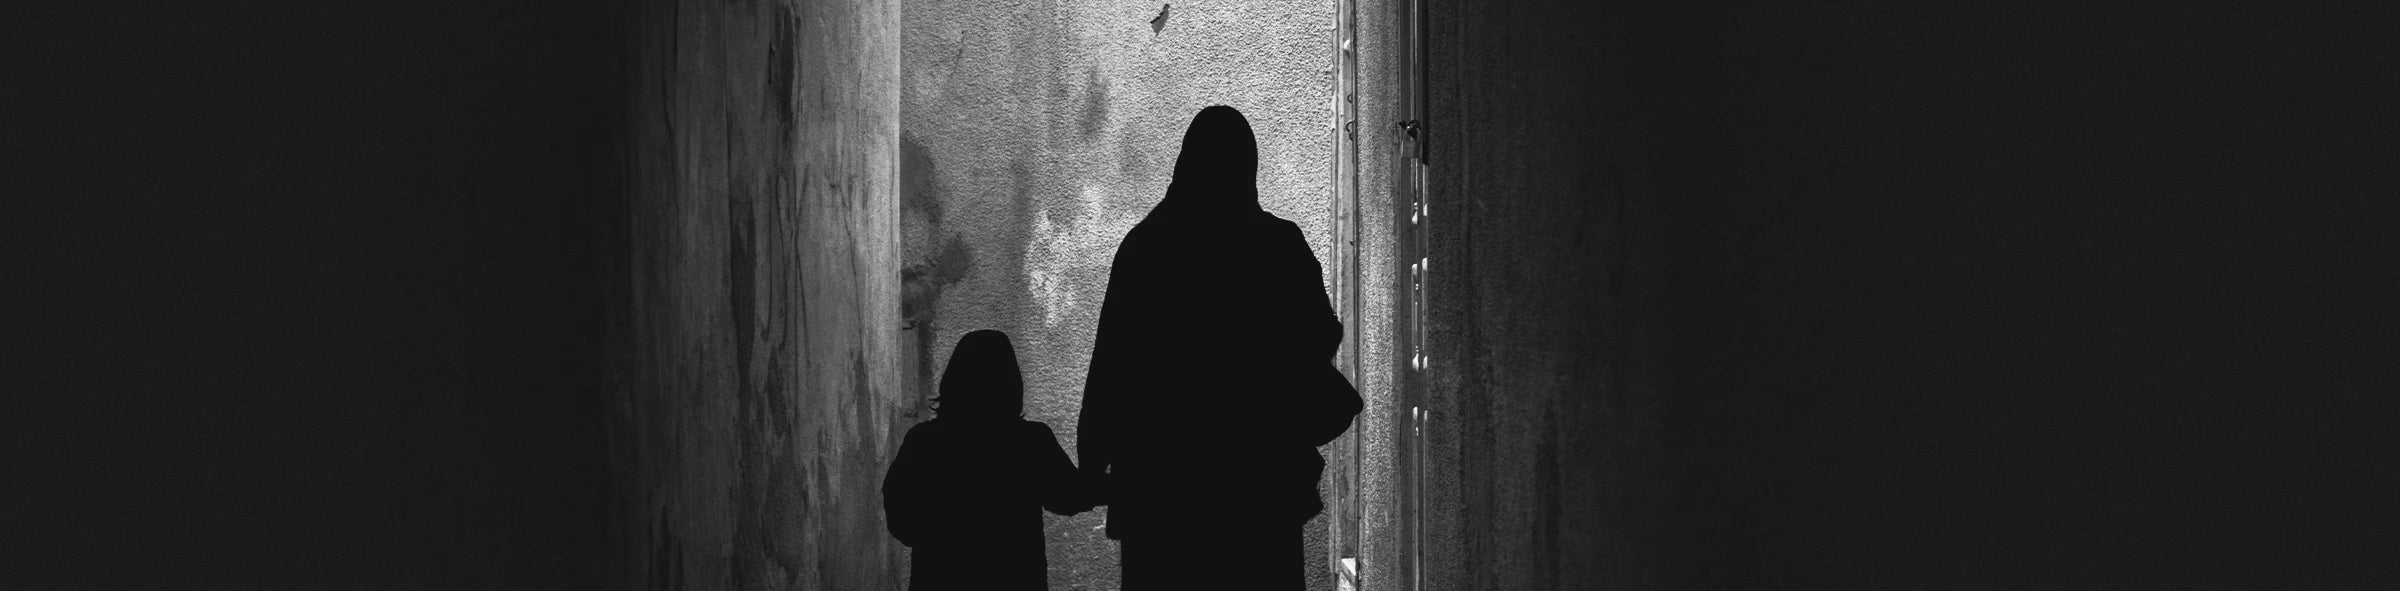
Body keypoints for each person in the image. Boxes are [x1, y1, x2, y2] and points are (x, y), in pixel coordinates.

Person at [1074, 105, 1363, 590]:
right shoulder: (1279, 245)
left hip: (1161, 496)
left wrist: (1091, 464)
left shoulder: (1145, 248)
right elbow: (1320, 335)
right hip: (1259, 492)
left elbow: (1112, 365)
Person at [883, 330, 1093, 591]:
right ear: (1011, 382)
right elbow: (1068, 497)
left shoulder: (923, 441)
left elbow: (901, 518)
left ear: (953, 380)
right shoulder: (1031, 441)